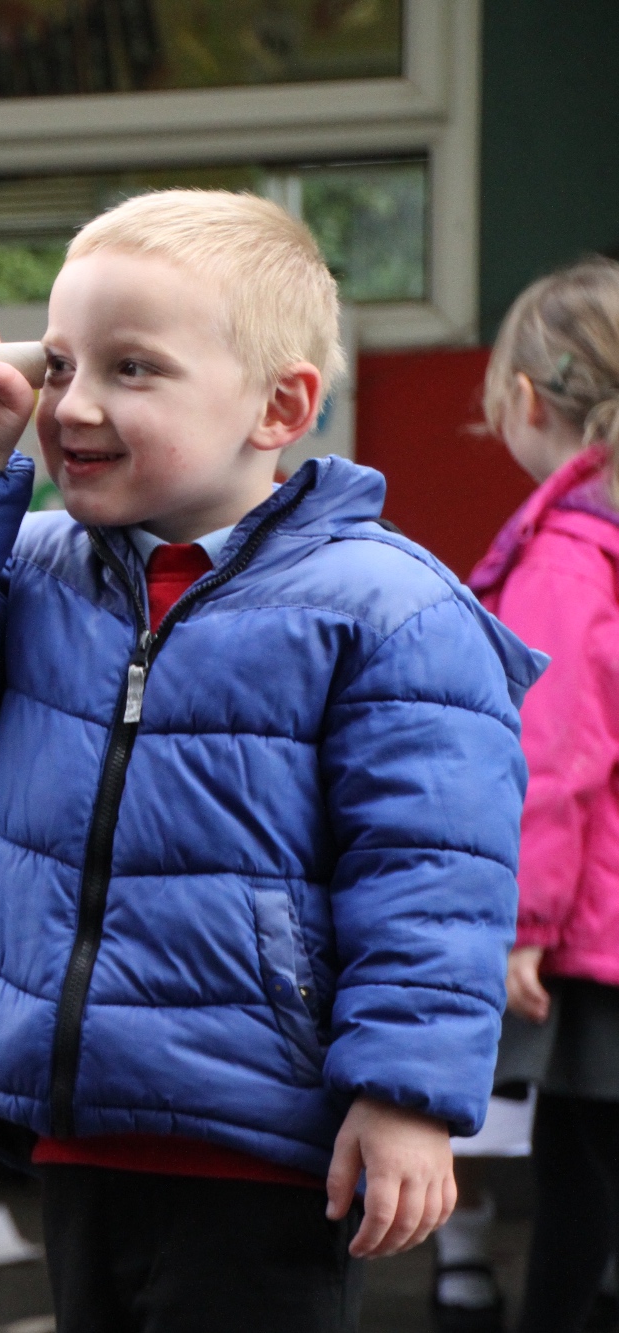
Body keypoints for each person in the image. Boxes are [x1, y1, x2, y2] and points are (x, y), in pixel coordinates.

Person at [0, 189, 541, 1333]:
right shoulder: (36, 568)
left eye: (132, 369)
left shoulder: (385, 605)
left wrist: (402, 1094)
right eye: (57, 366)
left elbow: (432, 875)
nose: (75, 405)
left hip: (262, 1131)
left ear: (279, 404)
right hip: (81, 1113)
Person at [465, 256, 619, 1333]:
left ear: (526, 403)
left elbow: (553, 761)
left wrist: (519, 923)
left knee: (583, 1183)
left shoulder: (561, 561)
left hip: (592, 941)